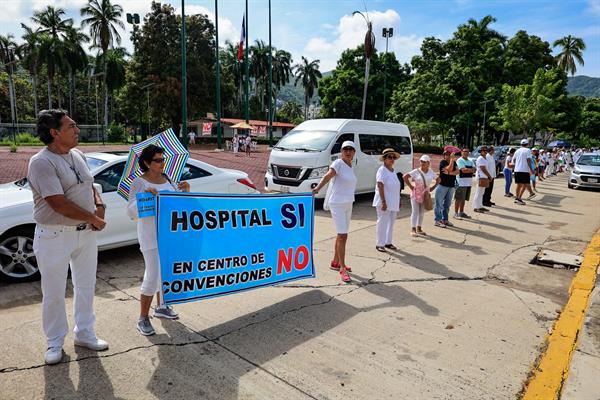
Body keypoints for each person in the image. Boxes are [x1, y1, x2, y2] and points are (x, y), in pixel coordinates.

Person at [27, 109, 108, 365]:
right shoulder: (41, 162)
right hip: (54, 236)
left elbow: (91, 185)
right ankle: (54, 343)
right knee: (53, 292)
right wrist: (92, 217)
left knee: (86, 286)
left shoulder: (77, 154)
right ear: (54, 133)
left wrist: (99, 204)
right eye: (71, 126)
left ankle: (84, 333)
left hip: (84, 235)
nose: (77, 130)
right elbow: (57, 203)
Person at [127, 145, 191, 336]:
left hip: (169, 236)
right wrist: (145, 198)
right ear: (146, 163)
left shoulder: (168, 179)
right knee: (152, 274)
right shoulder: (139, 183)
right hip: (150, 235)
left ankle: (162, 306)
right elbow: (131, 212)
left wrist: (186, 191)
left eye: (163, 159)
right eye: (158, 160)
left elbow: (178, 205)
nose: (162, 163)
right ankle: (143, 318)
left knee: (165, 273)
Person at [312, 141, 357, 283]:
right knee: (343, 235)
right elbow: (328, 176)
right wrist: (318, 188)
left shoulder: (350, 166)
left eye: (351, 149)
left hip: (348, 203)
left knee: (342, 235)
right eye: (345, 149)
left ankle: (335, 262)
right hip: (337, 203)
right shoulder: (338, 163)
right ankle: (342, 268)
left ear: (354, 152)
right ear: (341, 151)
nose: (348, 152)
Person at [372, 148, 401, 251]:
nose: (392, 159)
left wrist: (399, 200)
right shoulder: (382, 170)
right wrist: (383, 202)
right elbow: (380, 185)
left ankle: (388, 242)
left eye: (393, 157)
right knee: (382, 222)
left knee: (391, 223)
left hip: (393, 202)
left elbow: (395, 187)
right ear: (384, 159)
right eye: (389, 157)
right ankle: (380, 244)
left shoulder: (393, 171)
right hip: (384, 202)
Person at [404, 155, 440, 237]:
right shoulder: (416, 171)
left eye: (425, 162)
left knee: (421, 212)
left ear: (428, 163)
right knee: (415, 211)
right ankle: (413, 229)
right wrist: (410, 186)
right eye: (421, 161)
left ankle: (419, 228)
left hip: (425, 194)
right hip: (415, 194)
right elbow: (405, 176)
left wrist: (432, 188)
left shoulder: (431, 172)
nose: (422, 163)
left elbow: (438, 179)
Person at [434, 150, 459, 228]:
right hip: (442, 186)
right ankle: (437, 220)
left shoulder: (455, 163)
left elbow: (457, 172)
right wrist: (452, 160)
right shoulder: (443, 162)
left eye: (449, 154)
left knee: (447, 205)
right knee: (439, 204)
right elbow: (450, 169)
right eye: (446, 155)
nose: (448, 156)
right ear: (444, 156)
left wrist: (448, 173)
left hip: (451, 186)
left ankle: (445, 220)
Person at [454, 148, 476, 219]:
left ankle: (461, 212)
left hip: (468, 182)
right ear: (461, 152)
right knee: (458, 198)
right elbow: (463, 171)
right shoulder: (460, 160)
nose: (466, 153)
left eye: (467, 151)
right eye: (464, 151)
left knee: (463, 199)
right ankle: (455, 213)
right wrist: (470, 170)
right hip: (460, 182)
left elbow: (475, 170)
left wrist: (468, 169)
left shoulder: (470, 160)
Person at [513, 139, 535, 205]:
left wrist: (517, 165)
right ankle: (519, 198)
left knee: (519, 185)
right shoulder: (528, 150)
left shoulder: (517, 151)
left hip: (517, 169)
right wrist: (531, 169)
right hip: (524, 170)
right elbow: (528, 160)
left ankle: (517, 198)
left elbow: (514, 159)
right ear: (527, 144)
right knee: (525, 184)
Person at [473, 146, 492, 213]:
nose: (485, 151)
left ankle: (480, 206)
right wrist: (489, 176)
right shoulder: (480, 158)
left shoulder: (485, 158)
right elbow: (483, 168)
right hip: (481, 177)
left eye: (486, 150)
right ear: (481, 152)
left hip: (484, 177)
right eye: (484, 150)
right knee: (478, 192)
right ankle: (476, 207)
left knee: (481, 192)